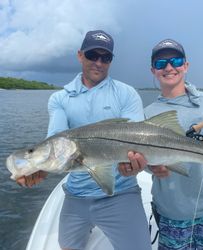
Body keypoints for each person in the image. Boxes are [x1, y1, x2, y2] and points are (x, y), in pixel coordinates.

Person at [16, 30, 152, 250]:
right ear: (80, 55)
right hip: (76, 194)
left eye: (105, 57)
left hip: (121, 192)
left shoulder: (126, 93)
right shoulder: (60, 98)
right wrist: (37, 168)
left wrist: (135, 164)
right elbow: (56, 142)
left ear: (110, 61)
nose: (98, 62)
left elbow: (137, 140)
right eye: (92, 55)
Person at [120, 38, 203, 249]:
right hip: (170, 213)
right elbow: (150, 162)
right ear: (153, 70)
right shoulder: (146, 114)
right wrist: (151, 168)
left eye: (175, 60)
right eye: (161, 63)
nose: (169, 67)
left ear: (185, 66)